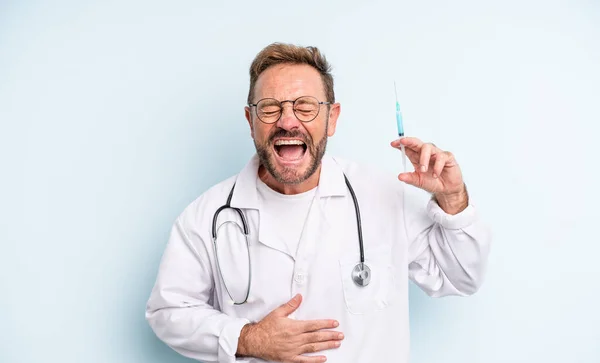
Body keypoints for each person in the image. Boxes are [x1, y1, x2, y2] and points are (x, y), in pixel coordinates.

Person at [145, 42, 491, 363]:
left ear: (332, 118)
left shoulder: (384, 197)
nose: (287, 121)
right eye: (270, 108)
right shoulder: (207, 215)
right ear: (251, 122)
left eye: (305, 107)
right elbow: (167, 312)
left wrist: (452, 198)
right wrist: (247, 338)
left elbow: (460, 278)